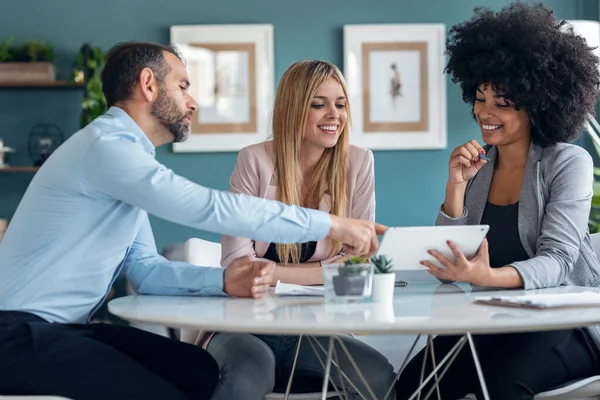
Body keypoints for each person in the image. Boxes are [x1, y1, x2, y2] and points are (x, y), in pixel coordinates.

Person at [0, 43, 385, 400]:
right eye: (183, 86)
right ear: (149, 85)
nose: (193, 101)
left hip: (63, 328)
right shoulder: (108, 149)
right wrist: (331, 225)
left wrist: (223, 280)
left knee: (197, 369)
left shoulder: (125, 162)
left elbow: (147, 271)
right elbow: (208, 207)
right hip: (16, 334)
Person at [395, 3, 600, 400]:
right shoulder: (480, 166)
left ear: (537, 104)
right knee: (414, 387)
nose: (483, 112)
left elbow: (558, 261)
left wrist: (487, 278)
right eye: (479, 97)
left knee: (504, 388)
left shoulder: (568, 161)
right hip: (499, 317)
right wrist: (455, 186)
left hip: (567, 322)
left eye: (501, 102)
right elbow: (447, 268)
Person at [189, 60, 395, 400]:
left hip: (316, 325)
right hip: (245, 325)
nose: (334, 114)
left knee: (377, 376)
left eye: (340, 104)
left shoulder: (359, 162)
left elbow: (356, 266)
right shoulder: (254, 161)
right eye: (319, 104)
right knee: (247, 375)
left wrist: (272, 272)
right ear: (293, 108)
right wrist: (317, 272)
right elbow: (239, 266)